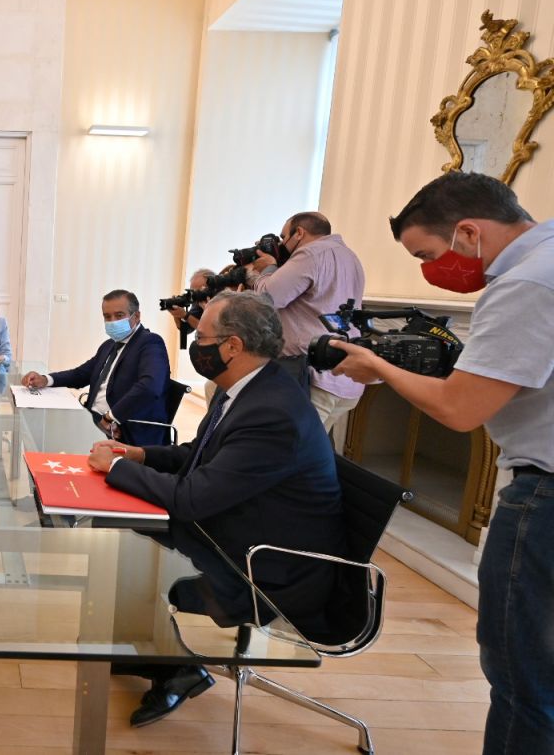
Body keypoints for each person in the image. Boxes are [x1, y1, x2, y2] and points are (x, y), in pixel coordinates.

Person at [329, 172, 553, 755]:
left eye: (429, 255)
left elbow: (459, 408)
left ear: (470, 232)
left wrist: (380, 369)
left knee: (522, 677)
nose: (432, 272)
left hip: (546, 496)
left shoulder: (527, 284)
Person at [87, 291, 345, 728]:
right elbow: (198, 454)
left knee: (122, 551)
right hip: (236, 531)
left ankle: (172, 665)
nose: (193, 343)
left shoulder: (272, 412)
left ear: (232, 346)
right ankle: (151, 650)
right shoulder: (249, 389)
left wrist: (114, 468)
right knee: (113, 528)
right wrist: (139, 456)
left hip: (265, 568)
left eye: (201, 335)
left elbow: (191, 498)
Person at [244, 211, 367, 434]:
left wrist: (264, 270)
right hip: (343, 375)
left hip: (312, 375)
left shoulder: (310, 254)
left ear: (299, 233)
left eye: (283, 237)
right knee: (314, 452)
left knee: (291, 452)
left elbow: (269, 297)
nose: (282, 244)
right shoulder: (351, 257)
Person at [21, 289, 170, 445]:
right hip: (92, 417)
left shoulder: (150, 343)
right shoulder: (109, 345)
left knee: (47, 437)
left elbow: (150, 387)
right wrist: (46, 379)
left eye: (119, 315)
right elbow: (81, 374)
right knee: (38, 427)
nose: (112, 321)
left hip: (123, 428)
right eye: (107, 317)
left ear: (136, 316)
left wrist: (111, 417)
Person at [167, 267, 216, 334]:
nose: (194, 294)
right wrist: (177, 314)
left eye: (199, 291)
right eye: (192, 291)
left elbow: (212, 332)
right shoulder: (198, 301)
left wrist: (186, 315)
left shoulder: (223, 301)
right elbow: (186, 329)